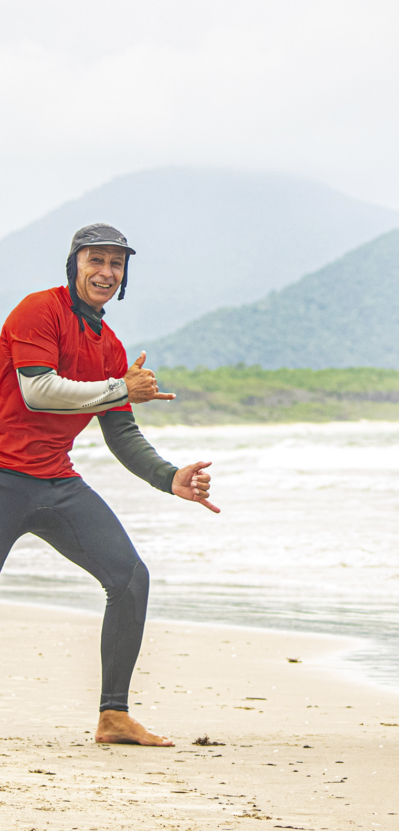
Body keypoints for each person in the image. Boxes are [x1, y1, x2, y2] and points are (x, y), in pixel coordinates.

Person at [0, 223, 220, 747]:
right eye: (95, 260)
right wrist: (121, 387)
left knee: (129, 580)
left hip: (54, 481)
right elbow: (39, 392)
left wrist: (170, 478)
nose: (105, 271)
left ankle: (113, 716)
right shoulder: (38, 310)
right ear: (74, 264)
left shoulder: (111, 346)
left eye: (116, 264)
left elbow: (121, 431)